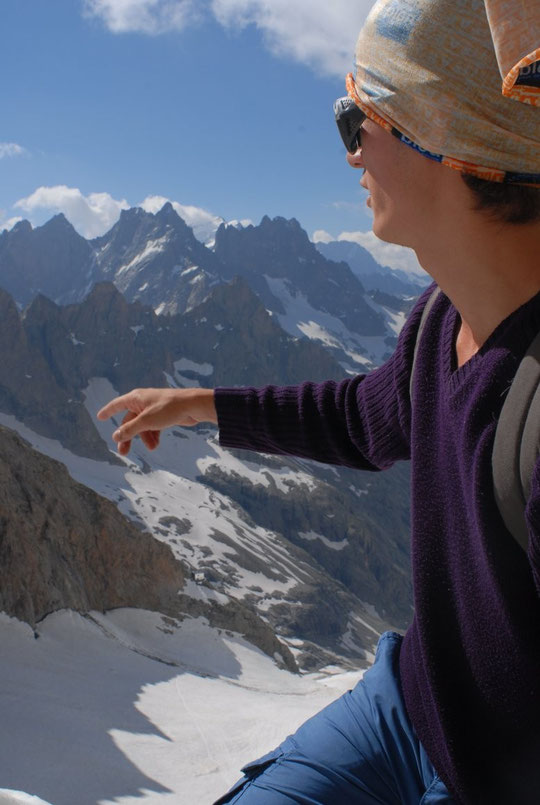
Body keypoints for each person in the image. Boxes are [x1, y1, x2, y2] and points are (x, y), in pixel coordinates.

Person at [97, 0, 540, 801]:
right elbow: (360, 419)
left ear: (445, 141)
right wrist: (199, 402)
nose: (348, 156)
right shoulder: (441, 317)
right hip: (409, 709)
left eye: (356, 117)